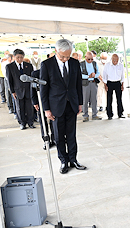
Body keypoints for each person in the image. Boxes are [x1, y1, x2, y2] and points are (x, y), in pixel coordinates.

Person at [40, 39, 85, 174]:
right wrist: (46, 109)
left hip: (71, 104)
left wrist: (80, 103)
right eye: (63, 56)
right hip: (56, 106)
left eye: (68, 56)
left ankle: (73, 159)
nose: (66, 59)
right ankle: (63, 161)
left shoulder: (75, 63)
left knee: (71, 134)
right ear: (56, 51)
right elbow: (44, 89)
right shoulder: (46, 65)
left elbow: (78, 84)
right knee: (59, 136)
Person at [6, 49, 35, 130]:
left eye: (21, 57)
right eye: (18, 57)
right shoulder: (9, 67)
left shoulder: (28, 65)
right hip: (17, 91)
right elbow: (9, 80)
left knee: (29, 107)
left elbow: (32, 78)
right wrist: (12, 91)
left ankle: (30, 122)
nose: (19, 59)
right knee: (19, 108)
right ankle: (22, 123)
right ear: (14, 57)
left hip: (28, 90)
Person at [31, 69, 55, 150]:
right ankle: (46, 140)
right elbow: (32, 89)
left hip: (53, 100)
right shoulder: (36, 73)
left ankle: (54, 138)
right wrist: (35, 102)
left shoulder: (54, 71)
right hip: (40, 100)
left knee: (54, 120)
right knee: (43, 122)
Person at [80, 51, 102, 122]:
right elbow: (79, 75)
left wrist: (94, 75)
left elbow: (98, 73)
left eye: (92, 59)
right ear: (85, 57)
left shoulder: (95, 63)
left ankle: (94, 114)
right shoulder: (81, 64)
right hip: (85, 84)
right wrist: (88, 76)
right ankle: (85, 115)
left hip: (93, 82)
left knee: (94, 100)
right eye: (89, 59)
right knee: (85, 100)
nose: (90, 61)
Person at [103, 54, 125, 120]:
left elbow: (123, 75)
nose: (115, 62)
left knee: (119, 99)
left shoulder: (121, 65)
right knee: (109, 99)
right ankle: (109, 114)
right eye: (114, 60)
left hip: (118, 82)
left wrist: (122, 84)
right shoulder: (107, 65)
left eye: (117, 60)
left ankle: (120, 113)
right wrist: (105, 85)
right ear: (112, 59)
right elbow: (104, 76)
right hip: (109, 82)